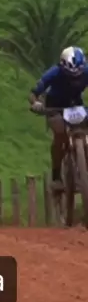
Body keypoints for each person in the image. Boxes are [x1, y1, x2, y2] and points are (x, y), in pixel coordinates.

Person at [29, 46, 88, 194]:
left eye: (78, 76)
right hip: (55, 105)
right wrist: (35, 103)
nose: (75, 79)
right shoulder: (53, 73)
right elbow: (34, 92)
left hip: (75, 103)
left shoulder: (86, 71)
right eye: (70, 75)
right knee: (60, 134)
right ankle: (56, 175)